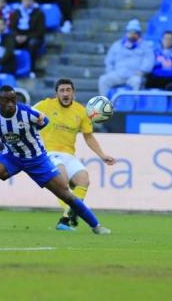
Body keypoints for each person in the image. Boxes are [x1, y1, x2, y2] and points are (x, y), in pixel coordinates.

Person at [0, 85, 111, 235]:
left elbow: (45, 122)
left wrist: (37, 124)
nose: (11, 104)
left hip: (36, 159)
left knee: (65, 193)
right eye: (6, 101)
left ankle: (96, 226)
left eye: (13, 100)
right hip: (11, 156)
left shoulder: (26, 112)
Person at [34, 79, 115, 231]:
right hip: (48, 153)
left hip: (69, 155)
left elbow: (88, 136)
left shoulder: (81, 111)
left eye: (68, 90)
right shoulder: (45, 105)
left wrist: (102, 155)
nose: (65, 93)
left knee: (83, 179)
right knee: (62, 180)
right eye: (62, 90)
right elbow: (24, 115)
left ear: (73, 93)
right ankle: (66, 219)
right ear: (56, 93)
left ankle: (69, 215)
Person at [98, 19, 154, 95]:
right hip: (118, 74)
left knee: (137, 82)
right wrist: (110, 71)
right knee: (103, 80)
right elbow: (109, 60)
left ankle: (134, 105)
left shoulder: (145, 46)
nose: (132, 35)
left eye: (135, 33)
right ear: (126, 33)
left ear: (139, 34)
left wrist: (142, 71)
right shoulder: (117, 45)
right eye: (130, 32)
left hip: (134, 75)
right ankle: (105, 104)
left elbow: (149, 60)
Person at [10, 0, 45, 68]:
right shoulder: (16, 12)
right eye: (25, 0)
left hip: (33, 37)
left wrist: (27, 37)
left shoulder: (39, 13)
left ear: (33, 1)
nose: (27, 2)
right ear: (22, 1)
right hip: (18, 36)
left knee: (32, 44)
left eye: (29, 0)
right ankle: (11, 68)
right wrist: (16, 36)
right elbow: (12, 28)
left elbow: (40, 31)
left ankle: (31, 68)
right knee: (9, 42)